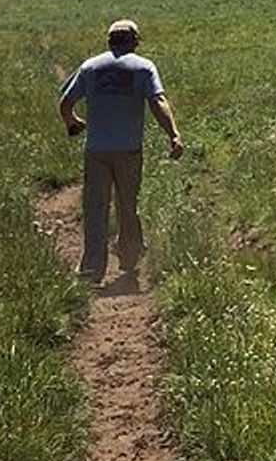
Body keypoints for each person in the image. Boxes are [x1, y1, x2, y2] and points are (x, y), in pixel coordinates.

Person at [58, 18, 183, 282]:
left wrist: (73, 122)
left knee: (95, 208)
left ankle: (92, 269)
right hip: (128, 150)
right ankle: (129, 257)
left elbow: (66, 102)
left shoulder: (90, 67)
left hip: (96, 151)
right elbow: (157, 101)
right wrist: (173, 134)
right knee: (127, 204)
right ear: (135, 42)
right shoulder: (143, 67)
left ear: (109, 41)